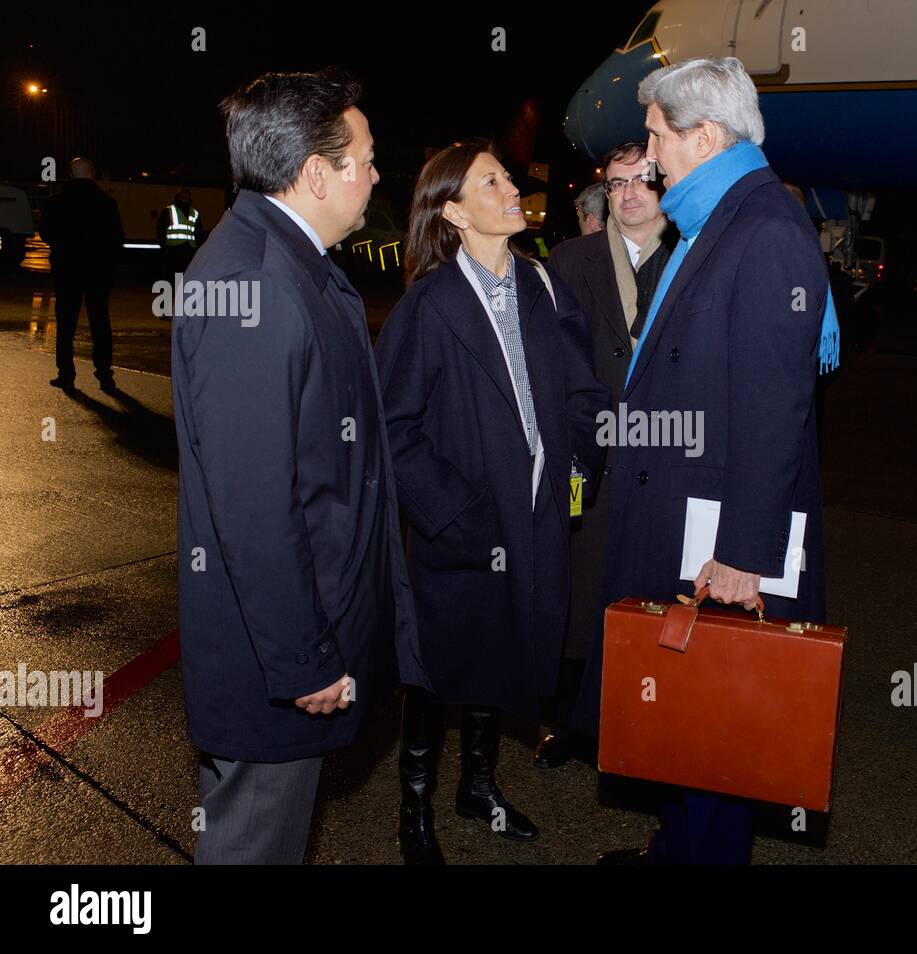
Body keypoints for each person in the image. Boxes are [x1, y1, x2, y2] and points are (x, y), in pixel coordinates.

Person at [579, 56, 840, 865]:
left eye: (657, 136)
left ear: (705, 135)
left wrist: (745, 556)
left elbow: (774, 412)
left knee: (721, 713)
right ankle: (677, 847)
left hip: (721, 537)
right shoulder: (722, 218)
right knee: (689, 704)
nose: (649, 158)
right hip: (691, 514)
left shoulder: (763, 230)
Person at [171, 68, 420, 864]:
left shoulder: (287, 261)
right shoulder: (255, 283)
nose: (378, 176)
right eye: (367, 159)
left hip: (302, 630)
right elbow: (252, 504)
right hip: (275, 656)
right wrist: (304, 657)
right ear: (317, 173)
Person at [375, 140, 607, 863]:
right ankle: (415, 811)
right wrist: (451, 511)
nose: (512, 188)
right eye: (491, 181)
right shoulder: (430, 303)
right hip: (463, 528)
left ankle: (478, 787)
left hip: (535, 519)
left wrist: (579, 464)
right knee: (437, 670)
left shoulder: (542, 285)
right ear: (453, 210)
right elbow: (393, 427)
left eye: (507, 176)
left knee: (500, 655)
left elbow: (582, 391)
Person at [540, 140, 677, 768]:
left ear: (666, 188)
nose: (627, 195)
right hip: (588, 459)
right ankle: (567, 726)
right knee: (579, 595)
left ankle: (638, 724)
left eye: (642, 182)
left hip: (663, 461)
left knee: (647, 601)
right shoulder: (571, 259)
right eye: (616, 183)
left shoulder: (691, 256)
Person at [40, 157, 124, 391]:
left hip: (67, 269)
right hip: (98, 270)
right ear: (93, 173)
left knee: (66, 323)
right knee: (100, 321)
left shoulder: (55, 203)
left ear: (71, 174)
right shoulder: (107, 203)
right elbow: (117, 238)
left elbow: (45, 233)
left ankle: (66, 373)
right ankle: (104, 373)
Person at [157, 187, 201, 283]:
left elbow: (198, 233)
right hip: (174, 250)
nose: (185, 199)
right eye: (183, 197)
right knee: (173, 277)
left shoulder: (194, 213)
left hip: (189, 250)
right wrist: (164, 247)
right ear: (177, 198)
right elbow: (160, 230)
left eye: (187, 197)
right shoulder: (169, 211)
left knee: (186, 277)